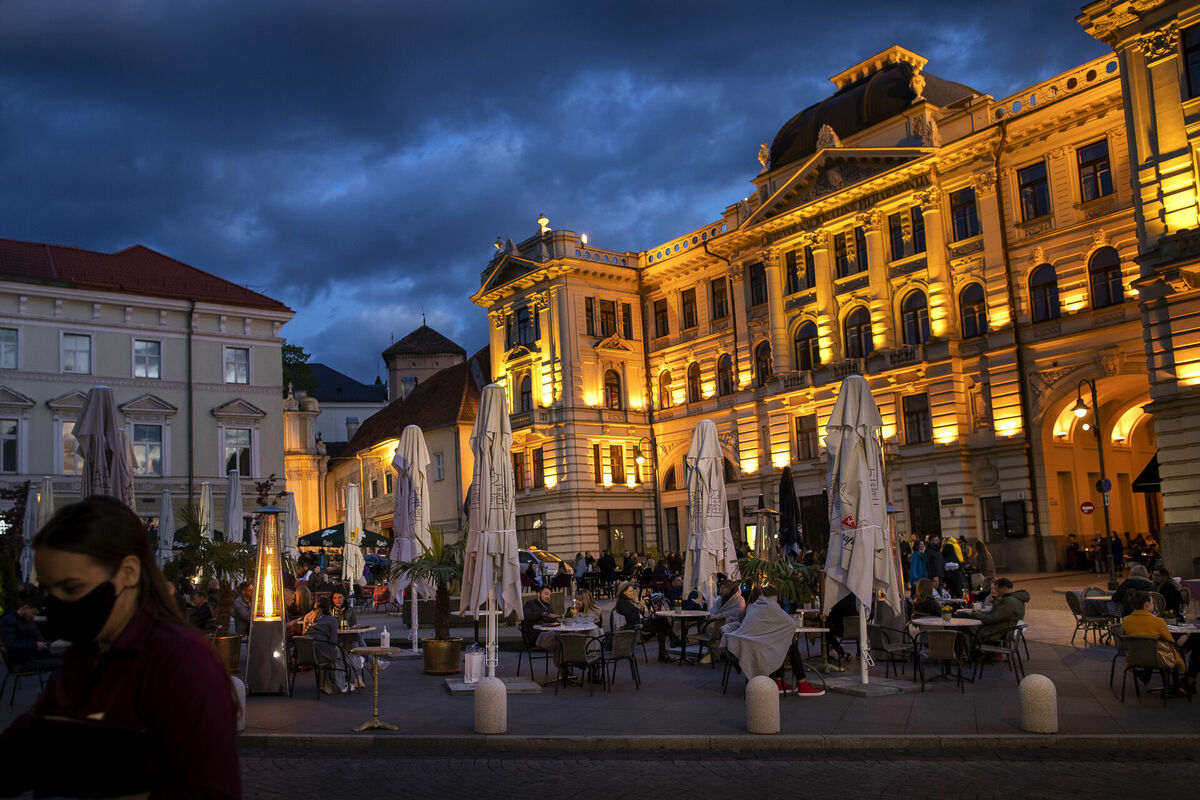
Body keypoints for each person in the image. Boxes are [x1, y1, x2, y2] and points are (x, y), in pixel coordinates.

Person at [0, 495, 239, 798]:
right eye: (49, 590)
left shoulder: (181, 661)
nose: (57, 603)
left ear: (128, 573)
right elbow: (24, 749)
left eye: (71, 587)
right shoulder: (83, 657)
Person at [724, 585, 823, 696]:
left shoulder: (754, 606)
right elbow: (791, 624)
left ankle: (779, 681)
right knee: (788, 646)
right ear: (773, 599)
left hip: (749, 645)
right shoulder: (768, 605)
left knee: (777, 643)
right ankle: (802, 684)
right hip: (757, 647)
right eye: (776, 601)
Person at [1120, 590, 1185, 684]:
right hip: (1158, 659)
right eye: (1152, 602)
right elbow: (1170, 642)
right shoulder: (1158, 622)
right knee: (1175, 651)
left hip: (1134, 658)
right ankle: (1171, 685)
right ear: (1146, 604)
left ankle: (1147, 676)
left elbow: (1124, 640)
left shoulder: (1126, 620)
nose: (1153, 604)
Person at [307, 596, 361, 692]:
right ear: (329, 607)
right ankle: (356, 663)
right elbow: (333, 641)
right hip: (323, 653)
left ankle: (338, 683)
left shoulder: (309, 618)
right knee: (339, 652)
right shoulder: (331, 620)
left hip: (309, 653)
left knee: (338, 652)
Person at [614, 581, 672, 661]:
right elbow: (631, 617)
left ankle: (665, 649)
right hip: (633, 625)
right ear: (623, 592)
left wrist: (640, 608)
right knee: (661, 624)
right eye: (630, 591)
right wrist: (638, 607)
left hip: (638, 622)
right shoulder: (622, 602)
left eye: (632, 591)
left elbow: (636, 614)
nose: (632, 593)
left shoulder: (627, 600)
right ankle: (671, 641)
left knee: (662, 620)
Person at [0, 600, 61, 674]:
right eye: (33, 613)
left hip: (35, 656)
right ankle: (58, 685)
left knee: (68, 657)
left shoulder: (28, 620)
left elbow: (39, 637)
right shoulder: (7, 620)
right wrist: (35, 645)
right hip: (21, 663)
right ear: (26, 608)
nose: (34, 617)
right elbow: (10, 645)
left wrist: (48, 644)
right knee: (63, 663)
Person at [974, 577, 1030, 642]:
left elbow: (992, 618)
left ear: (1004, 588)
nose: (996, 591)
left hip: (996, 632)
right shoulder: (1016, 598)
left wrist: (978, 615)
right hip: (1002, 630)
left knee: (964, 618)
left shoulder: (1009, 601)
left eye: (997, 589)